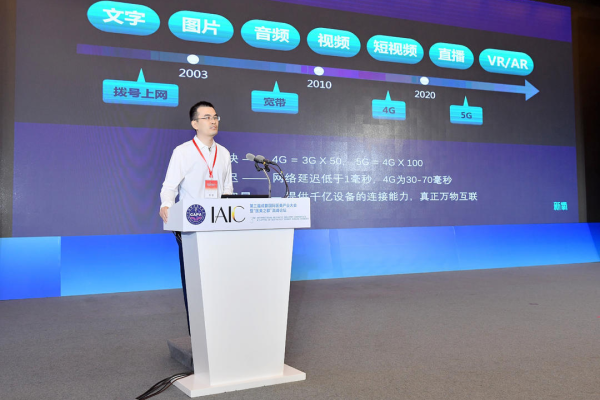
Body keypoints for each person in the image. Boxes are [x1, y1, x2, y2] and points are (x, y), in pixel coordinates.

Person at [159, 101, 233, 334]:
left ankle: (221, 331)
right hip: (192, 224)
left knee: (219, 280)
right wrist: (166, 205)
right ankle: (198, 336)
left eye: (215, 116)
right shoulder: (183, 152)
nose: (213, 121)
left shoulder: (224, 153)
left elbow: (227, 189)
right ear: (194, 124)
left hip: (219, 224)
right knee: (194, 283)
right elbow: (169, 187)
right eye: (207, 117)